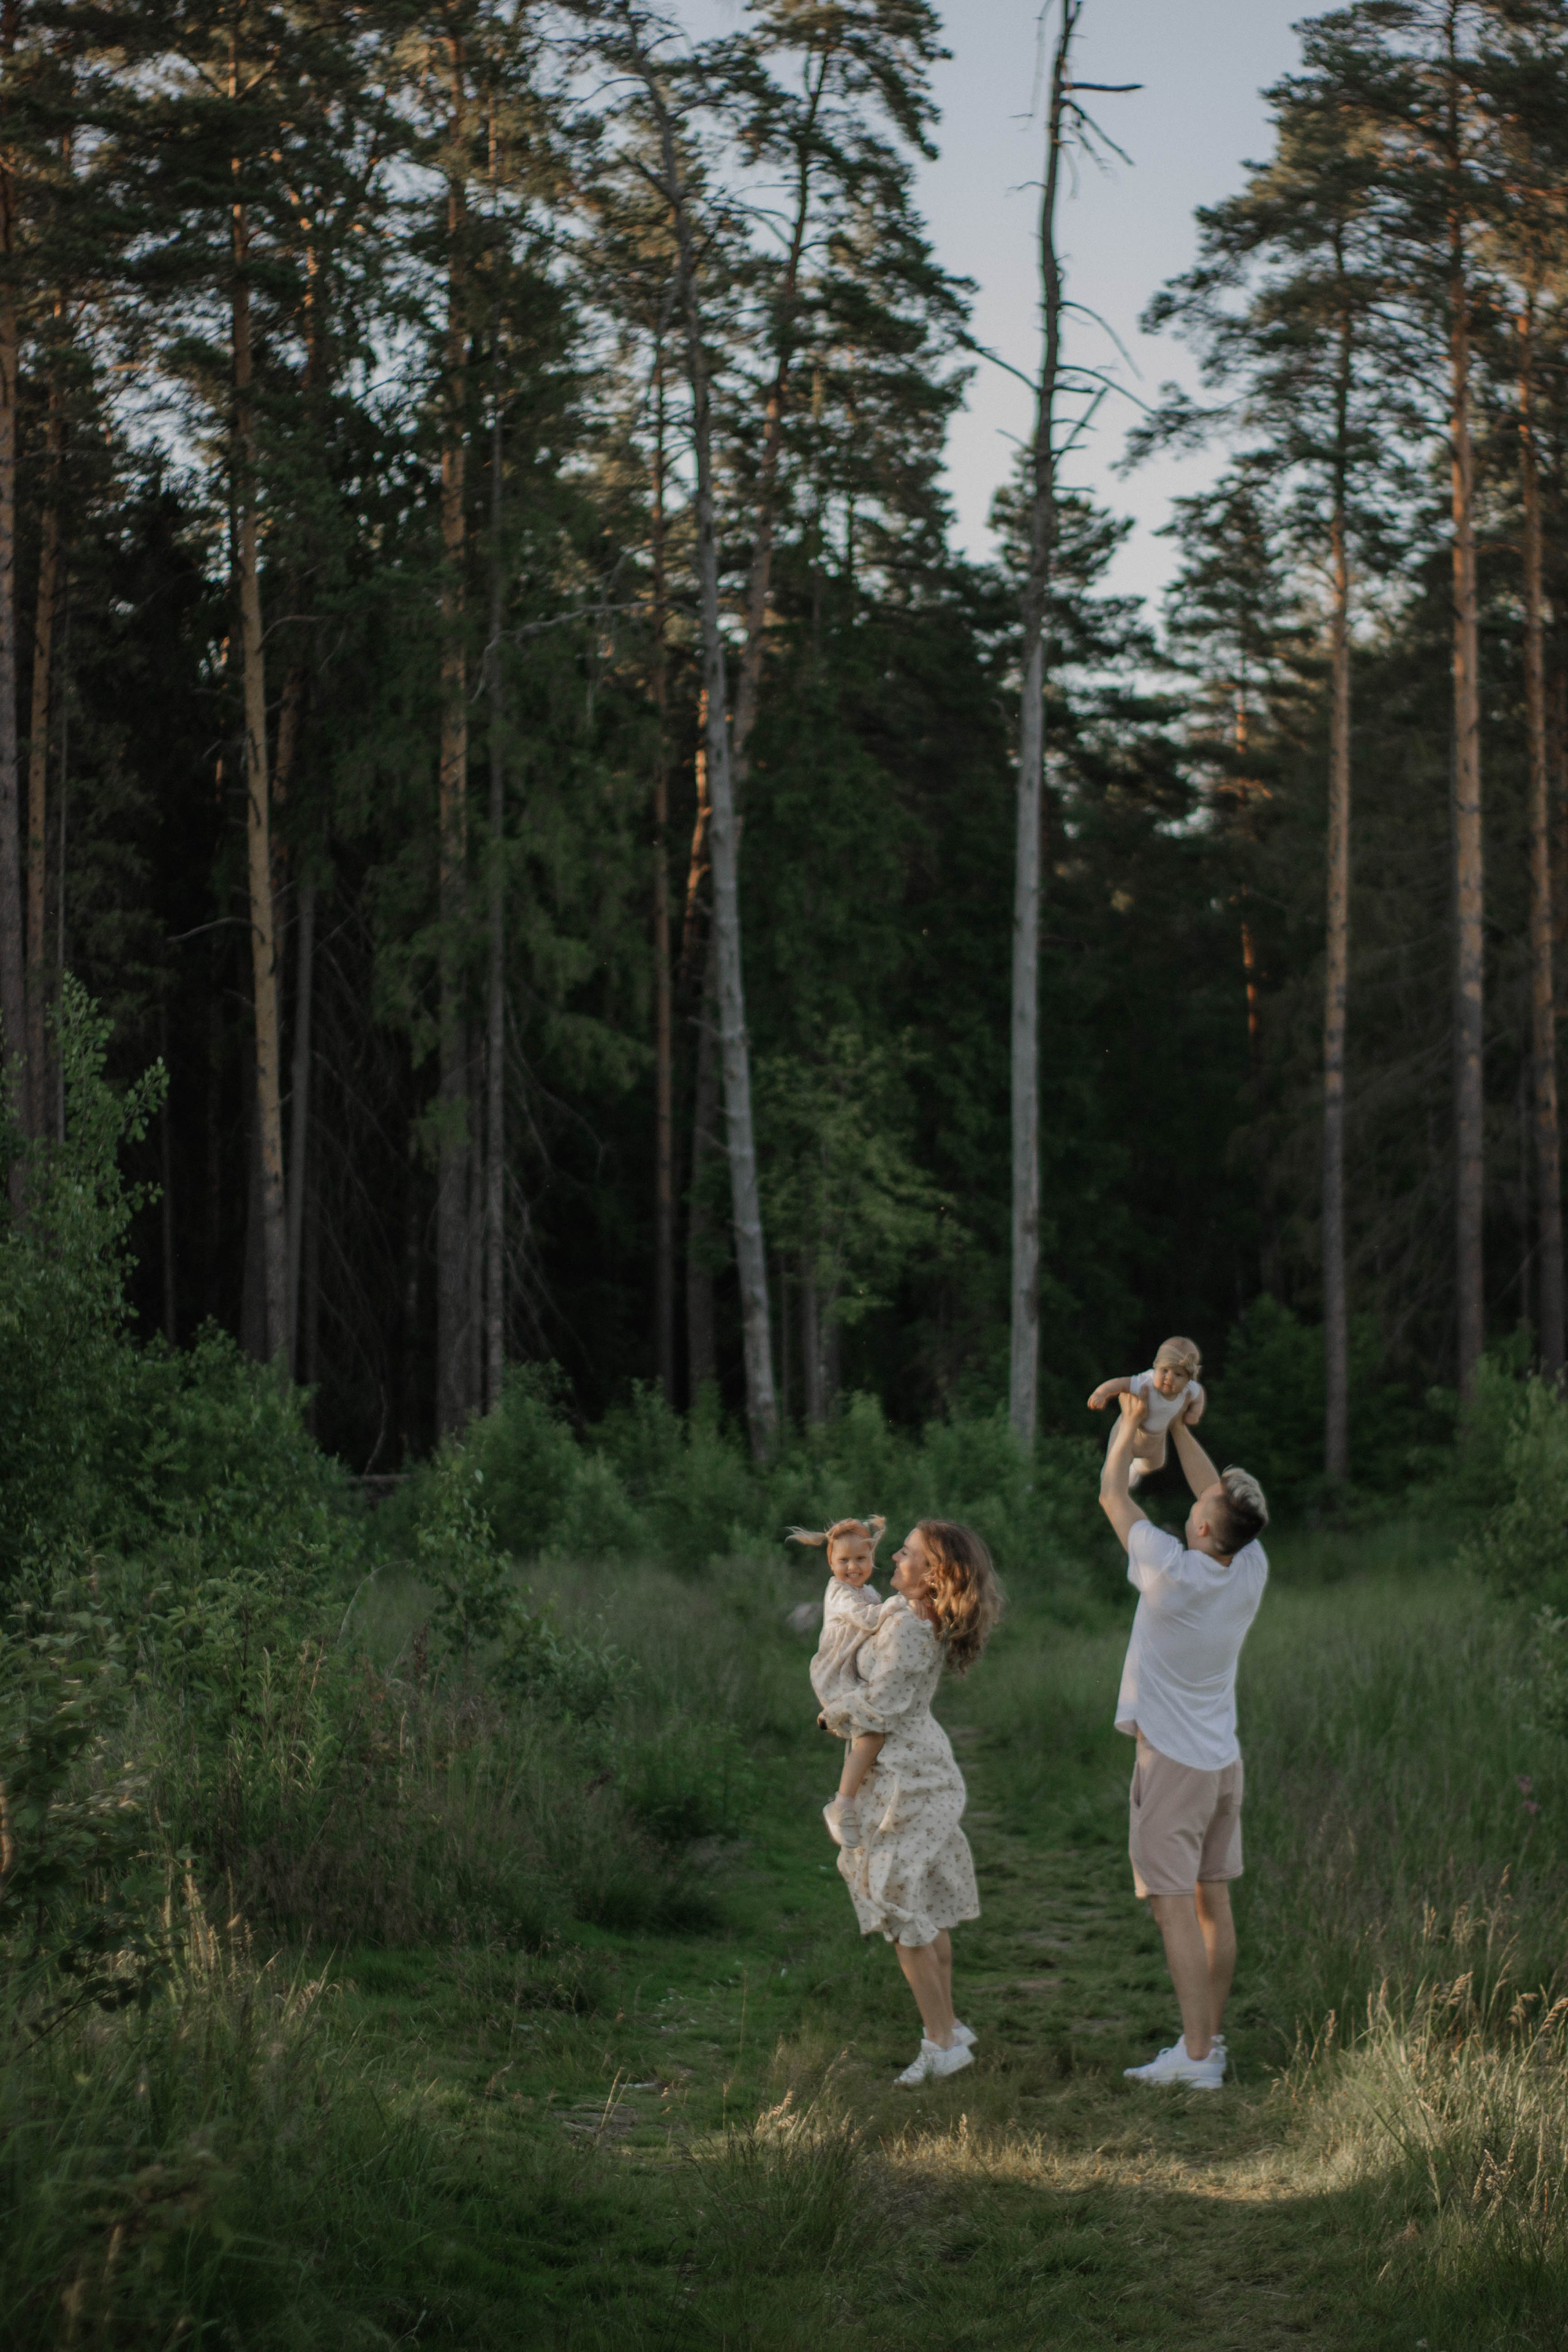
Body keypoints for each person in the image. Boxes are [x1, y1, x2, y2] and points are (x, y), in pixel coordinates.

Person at [1099, 1388, 1268, 2089]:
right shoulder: (1248, 1563)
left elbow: (1114, 1495)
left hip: (1171, 1765)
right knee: (1212, 1900)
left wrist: (1129, 1426)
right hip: (1221, 1762)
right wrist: (1178, 1424)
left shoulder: (1170, 1570)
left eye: (1199, 1508)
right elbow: (1216, 1493)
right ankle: (1209, 2041)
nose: (1194, 1502)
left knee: (1174, 1910)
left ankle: (1195, 2059)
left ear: (1202, 1530)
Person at [827, 1520, 1003, 2087]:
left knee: (902, 1907)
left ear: (933, 1574)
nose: (895, 1559)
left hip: (908, 1778)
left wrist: (834, 1713)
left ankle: (941, 2043)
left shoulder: (908, 1629)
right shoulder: (907, 1614)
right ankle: (946, 2027)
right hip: (911, 1767)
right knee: (919, 1903)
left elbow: (879, 1708)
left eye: (907, 1553)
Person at [786, 1516, 888, 1847]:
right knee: (872, 1735)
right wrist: (905, 1604)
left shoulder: (868, 1591)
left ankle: (863, 1797)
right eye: (843, 1560)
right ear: (831, 1562)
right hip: (836, 1674)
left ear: (873, 1559)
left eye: (861, 1559)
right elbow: (871, 1619)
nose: (853, 1567)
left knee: (872, 1733)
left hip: (853, 1672)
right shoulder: (840, 1594)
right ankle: (841, 1804)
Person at [1087, 1336, 1205, 1485]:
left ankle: (1135, 1469)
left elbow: (1200, 1395)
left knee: (1156, 1463)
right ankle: (1105, 1485)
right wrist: (1101, 1394)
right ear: (1156, 1366)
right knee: (1113, 1466)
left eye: (1178, 1375)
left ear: (1189, 1379)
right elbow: (1120, 1383)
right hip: (1129, 1432)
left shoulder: (1189, 1390)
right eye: (1165, 1370)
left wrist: (1195, 1412)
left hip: (1156, 1439)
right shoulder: (1146, 1383)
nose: (1169, 1378)